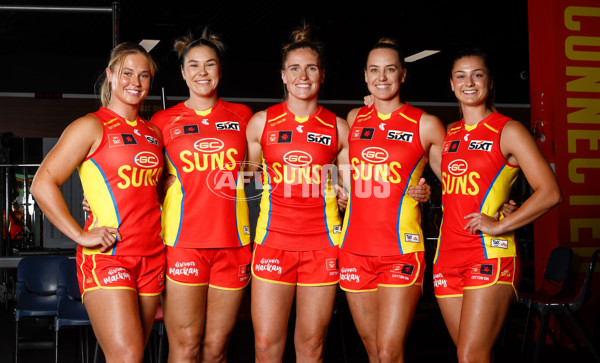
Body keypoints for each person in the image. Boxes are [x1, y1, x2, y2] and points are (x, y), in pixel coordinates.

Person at [31, 42, 164, 363]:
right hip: (109, 257)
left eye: (143, 75)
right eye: (127, 73)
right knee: (128, 355)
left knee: (134, 354)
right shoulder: (91, 125)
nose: (135, 82)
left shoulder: (153, 133)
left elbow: (151, 193)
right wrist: (79, 233)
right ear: (110, 75)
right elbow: (42, 183)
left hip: (152, 257)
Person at [433, 48, 561, 363]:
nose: (469, 82)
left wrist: (502, 224)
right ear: (451, 84)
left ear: (490, 81)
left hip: (489, 255)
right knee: (470, 357)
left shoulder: (509, 129)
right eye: (460, 76)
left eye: (477, 74)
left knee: (470, 355)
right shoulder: (449, 134)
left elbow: (550, 192)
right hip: (446, 258)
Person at [245, 24, 349, 362]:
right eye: (294, 68)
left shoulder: (338, 126)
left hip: (322, 244)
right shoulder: (262, 123)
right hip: (273, 241)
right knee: (266, 345)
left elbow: (352, 186)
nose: (302, 75)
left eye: (311, 68)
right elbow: (247, 176)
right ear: (283, 76)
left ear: (321, 75)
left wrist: (416, 189)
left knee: (311, 346)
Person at [338, 38, 446, 363]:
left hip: (401, 250)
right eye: (374, 70)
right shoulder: (355, 118)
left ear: (402, 74)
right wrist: (340, 192)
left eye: (389, 69)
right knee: (373, 351)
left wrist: (428, 193)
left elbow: (457, 178)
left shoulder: (425, 124)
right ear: (366, 76)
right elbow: (341, 168)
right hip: (354, 249)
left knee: (388, 352)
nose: (382, 77)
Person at [150, 30, 253, 362]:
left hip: (234, 245)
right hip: (183, 244)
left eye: (210, 64)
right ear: (182, 72)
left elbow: (270, 166)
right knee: (186, 346)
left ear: (220, 70)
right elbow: (140, 177)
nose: (202, 72)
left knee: (215, 349)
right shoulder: (162, 121)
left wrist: (332, 187)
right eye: (193, 65)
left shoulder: (243, 116)